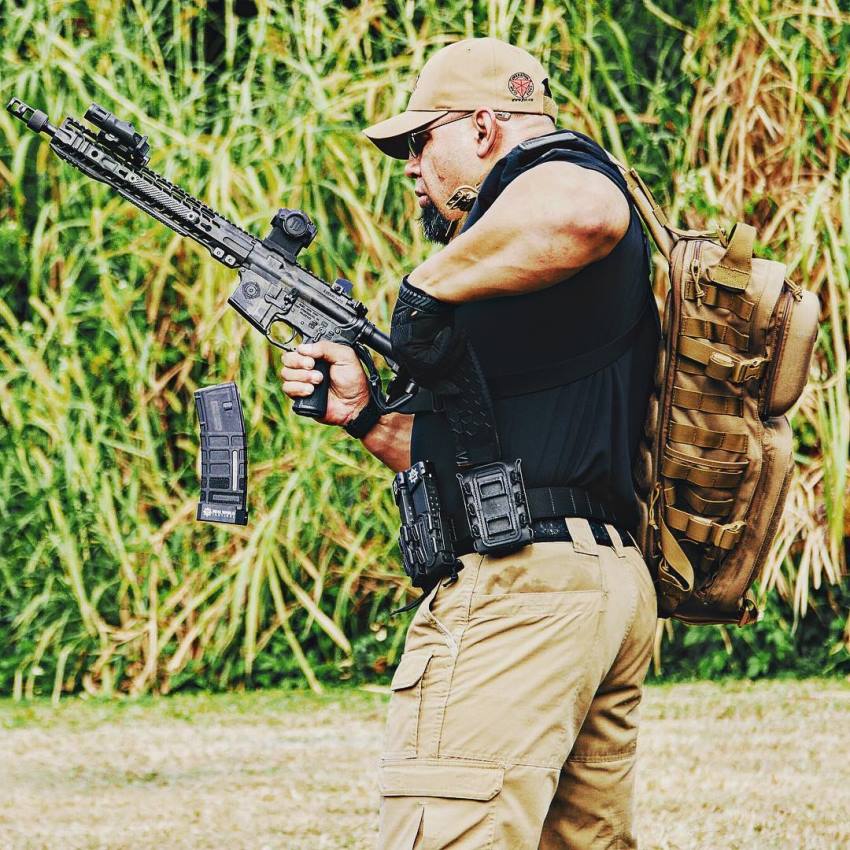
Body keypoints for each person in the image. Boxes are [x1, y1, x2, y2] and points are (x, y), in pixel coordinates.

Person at [281, 36, 659, 850]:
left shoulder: (554, 172)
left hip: (526, 594)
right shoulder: (520, 271)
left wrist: (424, 287)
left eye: (421, 142)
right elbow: (476, 454)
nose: (411, 168)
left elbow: (588, 205)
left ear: (484, 128)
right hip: (590, 587)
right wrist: (363, 416)